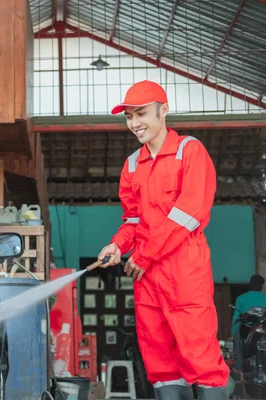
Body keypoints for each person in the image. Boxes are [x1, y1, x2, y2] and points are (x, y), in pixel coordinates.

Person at [97, 80, 230, 400]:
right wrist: (118, 244)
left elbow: (190, 213)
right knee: (159, 359)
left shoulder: (190, 151)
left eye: (141, 113)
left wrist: (144, 255)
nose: (134, 123)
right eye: (129, 117)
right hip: (147, 275)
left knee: (199, 353)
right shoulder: (131, 165)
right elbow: (132, 220)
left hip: (184, 268)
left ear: (164, 110)